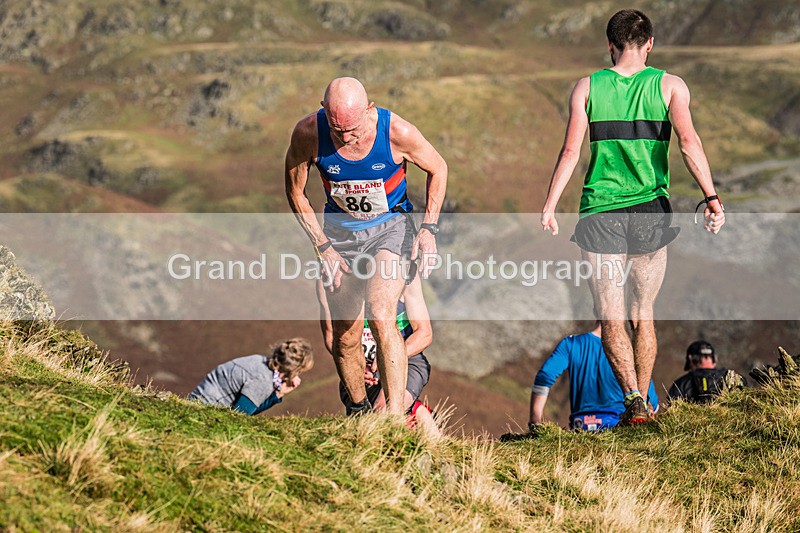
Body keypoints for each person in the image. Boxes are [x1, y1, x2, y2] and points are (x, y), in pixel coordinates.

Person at [540, 9, 725, 426]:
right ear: (650, 45)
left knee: (610, 314)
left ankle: (633, 402)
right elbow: (689, 143)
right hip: (650, 211)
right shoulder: (670, 86)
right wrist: (711, 197)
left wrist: (550, 206)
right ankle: (644, 400)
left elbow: (571, 152)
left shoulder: (586, 87)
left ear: (610, 46)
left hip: (600, 211)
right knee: (643, 312)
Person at [286, 77, 447, 416]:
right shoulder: (308, 133)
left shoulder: (397, 132)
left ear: (369, 110)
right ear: (323, 112)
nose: (346, 139)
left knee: (381, 311)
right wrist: (323, 248)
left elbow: (439, 167)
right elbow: (295, 192)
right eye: (338, 130)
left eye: (354, 130)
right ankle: (358, 412)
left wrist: (429, 228)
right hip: (340, 236)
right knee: (345, 336)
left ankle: (389, 420)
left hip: (391, 228)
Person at [316, 274, 440, 437]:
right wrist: (356, 364)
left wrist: (385, 357)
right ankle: (416, 412)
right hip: (360, 368)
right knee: (361, 423)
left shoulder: (404, 272)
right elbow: (332, 336)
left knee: (383, 413)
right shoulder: (330, 275)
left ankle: (402, 444)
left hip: (406, 361)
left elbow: (424, 333)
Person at [529, 321, 659, 432]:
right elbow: (651, 401)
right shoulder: (629, 353)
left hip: (581, 425)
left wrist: (535, 421)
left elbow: (545, 376)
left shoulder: (571, 344)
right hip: (619, 424)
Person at [188, 338, 313, 415]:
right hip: (204, 412)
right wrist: (276, 395)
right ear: (291, 371)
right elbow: (239, 416)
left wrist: (279, 393)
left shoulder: (259, 361)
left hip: (197, 403)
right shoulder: (263, 380)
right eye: (300, 371)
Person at [668, 340, 743, 404]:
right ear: (715, 359)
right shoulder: (733, 378)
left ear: (690, 359)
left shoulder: (680, 384)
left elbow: (670, 411)